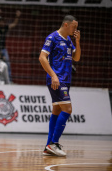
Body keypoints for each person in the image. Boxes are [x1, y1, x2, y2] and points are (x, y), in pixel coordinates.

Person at [39, 15, 81, 156]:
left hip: (66, 79)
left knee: (56, 111)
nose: (75, 29)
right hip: (57, 79)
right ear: (65, 24)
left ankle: (48, 146)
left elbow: (76, 57)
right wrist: (53, 75)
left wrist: (78, 41)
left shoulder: (69, 40)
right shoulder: (52, 37)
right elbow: (42, 57)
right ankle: (54, 143)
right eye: (74, 26)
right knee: (68, 109)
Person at [0, 9, 21, 81]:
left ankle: (9, 80)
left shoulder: (4, 28)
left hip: (2, 49)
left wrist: (17, 17)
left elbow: (14, 24)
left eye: (2, 21)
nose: (1, 22)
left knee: (7, 64)